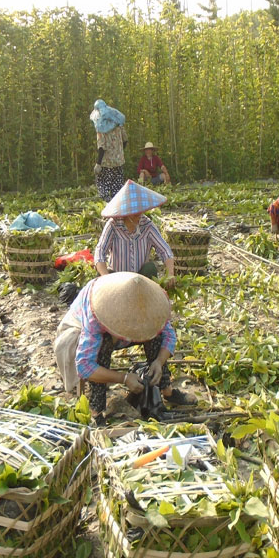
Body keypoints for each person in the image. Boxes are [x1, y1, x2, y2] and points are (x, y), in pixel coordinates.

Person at [53, 272, 194, 423]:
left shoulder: (150, 304)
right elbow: (85, 366)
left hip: (121, 335)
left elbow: (169, 336)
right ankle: (97, 411)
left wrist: (159, 362)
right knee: (103, 346)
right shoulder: (97, 313)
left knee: (156, 336)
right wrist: (124, 378)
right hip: (81, 332)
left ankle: (167, 391)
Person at [95, 180, 175, 287]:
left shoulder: (147, 225)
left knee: (150, 268)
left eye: (139, 213)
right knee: (101, 278)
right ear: (126, 214)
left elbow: (165, 250)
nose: (138, 216)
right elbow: (100, 251)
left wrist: (170, 273)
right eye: (134, 215)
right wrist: (104, 276)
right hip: (117, 277)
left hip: (140, 278)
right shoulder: (113, 225)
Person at [91, 99, 127, 202]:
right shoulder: (118, 125)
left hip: (106, 163)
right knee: (117, 188)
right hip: (119, 162)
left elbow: (102, 147)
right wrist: (119, 153)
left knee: (104, 186)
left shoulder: (100, 128)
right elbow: (125, 140)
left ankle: (108, 209)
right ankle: (119, 211)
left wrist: (98, 164)